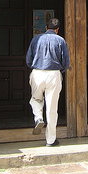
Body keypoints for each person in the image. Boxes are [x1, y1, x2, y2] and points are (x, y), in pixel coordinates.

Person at [26, 17, 70, 147]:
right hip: (54, 74)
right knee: (52, 107)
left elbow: (29, 59)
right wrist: (59, 71)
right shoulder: (61, 40)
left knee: (36, 99)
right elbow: (66, 62)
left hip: (38, 72)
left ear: (46, 28)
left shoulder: (36, 39)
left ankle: (38, 117)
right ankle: (50, 140)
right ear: (57, 30)